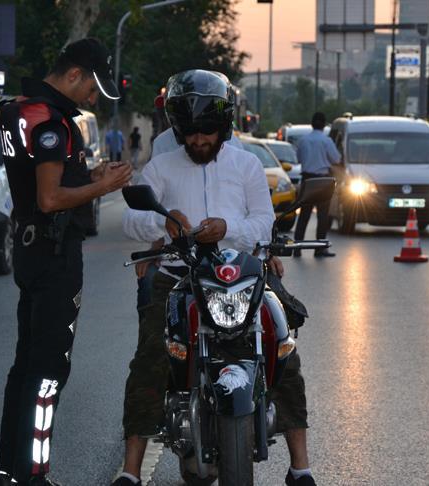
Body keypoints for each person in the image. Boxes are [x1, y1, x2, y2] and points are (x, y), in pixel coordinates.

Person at [114, 70, 317, 486]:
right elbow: (132, 218)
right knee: (150, 360)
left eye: (207, 132)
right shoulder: (162, 167)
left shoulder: (245, 165)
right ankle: (130, 471)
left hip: (243, 277)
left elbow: (263, 222)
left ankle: (301, 468)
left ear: (223, 127)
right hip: (178, 278)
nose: (199, 141)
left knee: (284, 352)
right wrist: (164, 225)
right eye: (190, 133)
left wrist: (227, 229)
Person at [0, 38, 133, 486]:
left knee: (25, 368)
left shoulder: (19, 110)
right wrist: (103, 189)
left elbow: (44, 178)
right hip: (54, 256)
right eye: (92, 89)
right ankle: (34, 476)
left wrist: (89, 176)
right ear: (74, 74)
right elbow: (50, 197)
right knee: (50, 371)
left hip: (31, 250)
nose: (93, 100)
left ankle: (8, 473)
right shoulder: (51, 123)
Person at [293, 111, 340, 257]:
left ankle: (297, 247)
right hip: (323, 180)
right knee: (322, 215)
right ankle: (320, 248)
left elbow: (299, 159)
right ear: (324, 125)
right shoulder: (326, 141)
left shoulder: (303, 140)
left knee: (304, 215)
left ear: (312, 124)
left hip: (307, 179)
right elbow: (336, 159)